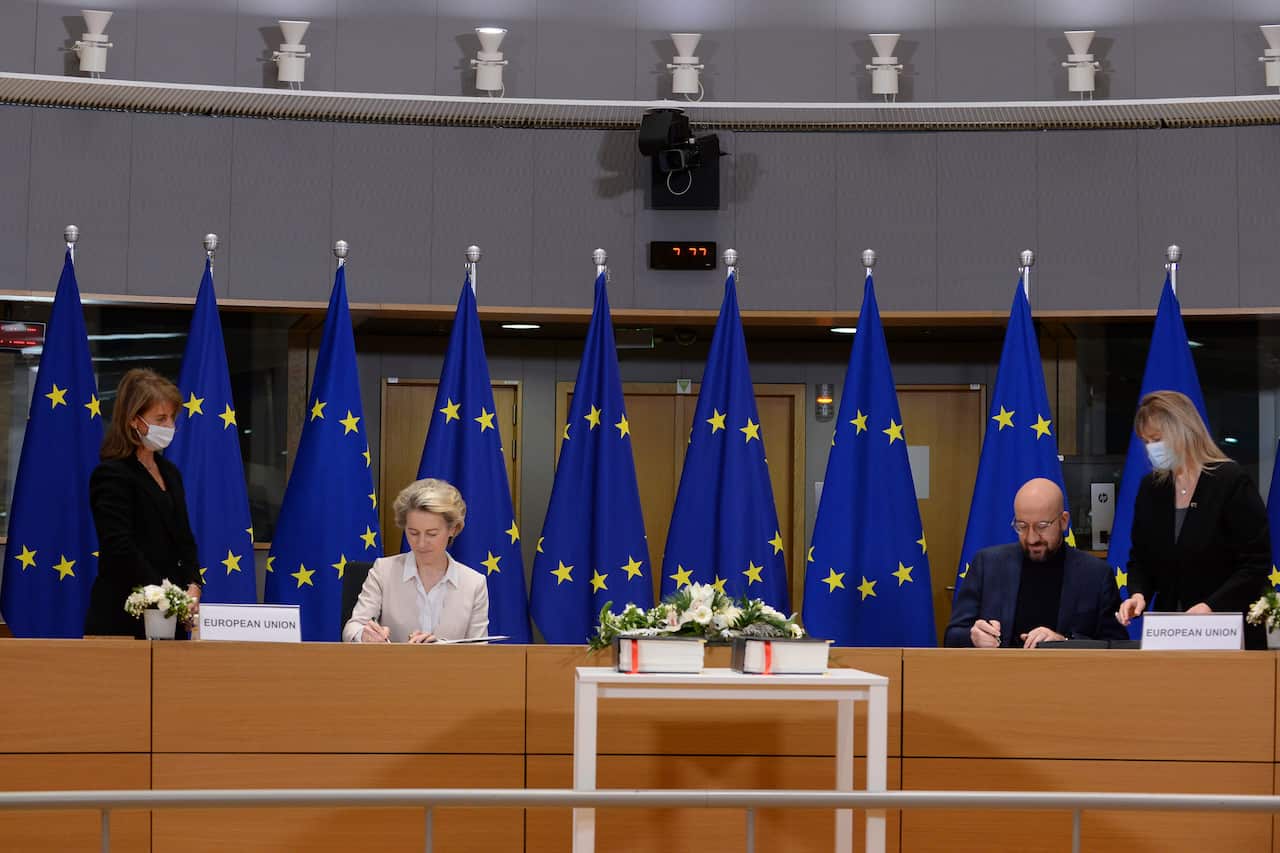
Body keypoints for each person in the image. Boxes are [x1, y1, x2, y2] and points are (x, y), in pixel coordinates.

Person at [1117, 390, 1270, 648]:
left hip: (1228, 631)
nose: (1151, 449)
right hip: (1171, 631)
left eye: (1157, 439)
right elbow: (1141, 559)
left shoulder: (1230, 481)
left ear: (1183, 431)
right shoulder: (1151, 488)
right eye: (1146, 442)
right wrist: (1138, 593)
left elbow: (1255, 564)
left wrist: (1210, 606)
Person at [84, 369, 202, 637]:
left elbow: (184, 537)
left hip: (172, 615)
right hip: (124, 613)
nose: (169, 425)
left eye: (172, 417)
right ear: (134, 421)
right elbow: (119, 546)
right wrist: (167, 593)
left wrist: (194, 583)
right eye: (161, 418)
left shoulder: (170, 472)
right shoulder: (112, 474)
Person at [945, 477, 1128, 648]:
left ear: (1063, 521)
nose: (1031, 538)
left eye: (1042, 526)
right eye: (1022, 527)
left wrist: (1064, 642)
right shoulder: (988, 564)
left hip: (1066, 677)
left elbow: (1115, 645)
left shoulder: (1095, 574)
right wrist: (973, 636)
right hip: (999, 677)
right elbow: (952, 636)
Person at [342, 478, 489, 643]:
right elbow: (353, 627)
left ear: (453, 529)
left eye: (432, 534)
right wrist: (364, 635)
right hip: (392, 668)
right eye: (413, 532)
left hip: (449, 669)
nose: (421, 543)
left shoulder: (474, 583)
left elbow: (479, 651)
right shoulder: (383, 571)